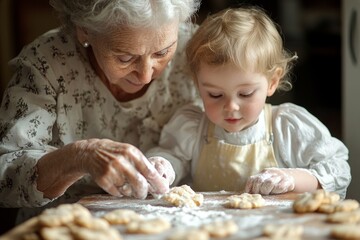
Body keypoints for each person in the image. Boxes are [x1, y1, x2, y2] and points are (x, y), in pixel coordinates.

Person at [0, 0, 201, 223]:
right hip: (67, 226)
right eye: (125, 57)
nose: (145, 75)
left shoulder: (198, 49)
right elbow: (5, 177)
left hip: (176, 222)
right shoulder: (47, 62)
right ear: (85, 31)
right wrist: (81, 156)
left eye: (162, 52)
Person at [146, 6, 351, 199]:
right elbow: (172, 156)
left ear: (272, 82)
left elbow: (338, 169)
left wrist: (292, 179)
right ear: (198, 85)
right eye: (215, 95)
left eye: (245, 94)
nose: (231, 106)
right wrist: (163, 167)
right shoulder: (193, 127)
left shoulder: (288, 127)